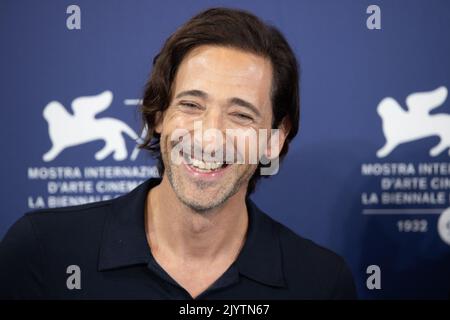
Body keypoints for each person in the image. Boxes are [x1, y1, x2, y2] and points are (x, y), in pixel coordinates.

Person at [0, 7, 356, 299]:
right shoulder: (44, 251)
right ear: (158, 116)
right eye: (191, 104)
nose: (210, 137)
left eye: (241, 114)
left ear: (274, 139)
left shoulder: (321, 282)